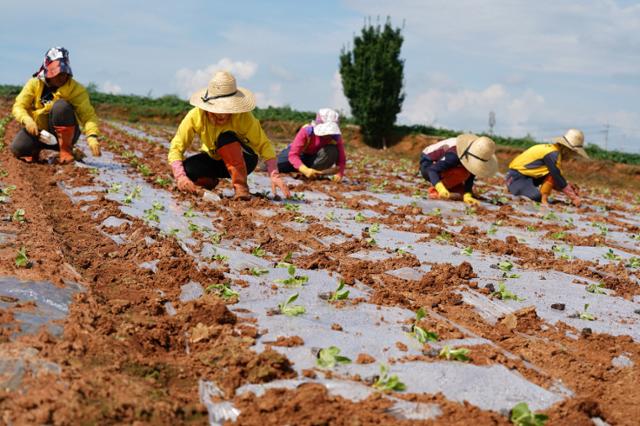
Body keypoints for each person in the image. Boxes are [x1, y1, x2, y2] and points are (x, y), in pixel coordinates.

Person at [168, 70, 290, 200]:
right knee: (187, 169)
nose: (222, 115)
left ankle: (241, 188)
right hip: (215, 159)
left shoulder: (244, 117)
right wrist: (181, 177)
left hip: (244, 160)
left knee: (225, 138)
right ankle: (207, 184)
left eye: (227, 109)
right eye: (217, 109)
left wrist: (274, 174)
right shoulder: (195, 116)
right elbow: (176, 147)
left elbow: (264, 144)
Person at [11, 47, 101, 164]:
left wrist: (92, 136)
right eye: (57, 73)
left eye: (64, 73)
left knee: (61, 106)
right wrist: (27, 120)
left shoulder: (75, 89)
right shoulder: (35, 83)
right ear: (48, 71)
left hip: (65, 136)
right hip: (39, 133)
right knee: (18, 148)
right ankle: (35, 151)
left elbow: (88, 115)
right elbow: (19, 106)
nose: (62, 77)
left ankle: (66, 150)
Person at [506, 129, 587, 207]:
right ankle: (540, 199)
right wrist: (573, 197)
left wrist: (569, 187)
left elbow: (555, 179)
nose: (572, 156)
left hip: (526, 178)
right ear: (567, 149)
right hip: (515, 178)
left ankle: (538, 196)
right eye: (572, 153)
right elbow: (556, 176)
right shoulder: (552, 154)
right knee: (537, 197)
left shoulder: (553, 151)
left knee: (551, 178)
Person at [420, 134, 498, 205]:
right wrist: (440, 189)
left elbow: (470, 177)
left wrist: (467, 194)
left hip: (442, 166)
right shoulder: (453, 156)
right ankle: (435, 190)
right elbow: (432, 170)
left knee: (461, 193)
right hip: (428, 164)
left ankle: (451, 188)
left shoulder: (472, 155)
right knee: (462, 173)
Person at [277, 108, 346, 182]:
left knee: (332, 150)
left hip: (314, 160)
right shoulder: (307, 131)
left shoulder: (335, 138)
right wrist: (304, 169)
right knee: (277, 166)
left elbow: (341, 160)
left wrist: (339, 174)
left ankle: (313, 174)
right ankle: (300, 169)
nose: (328, 134)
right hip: (300, 154)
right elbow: (293, 155)